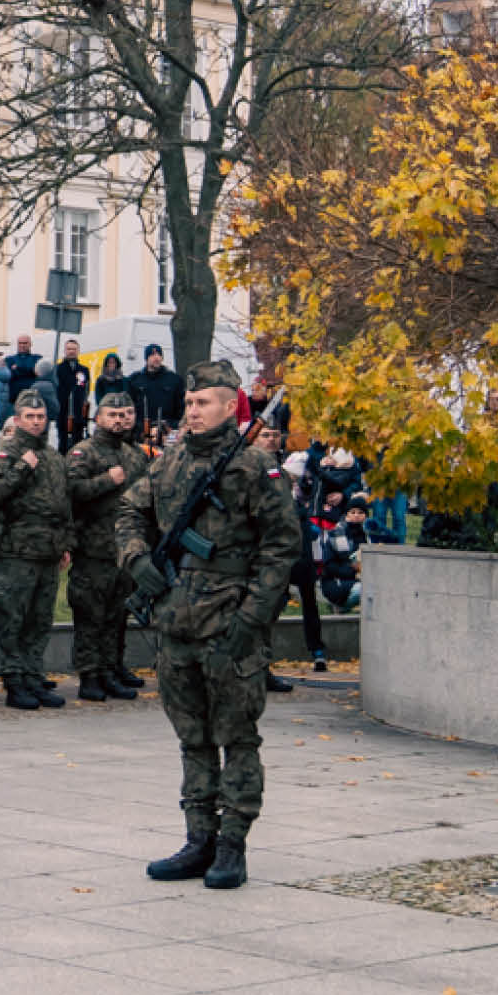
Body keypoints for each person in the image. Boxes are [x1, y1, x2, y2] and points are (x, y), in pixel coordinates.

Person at [114, 360, 307, 889]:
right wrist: (138, 562)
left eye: (203, 403)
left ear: (229, 406)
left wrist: (252, 618)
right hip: (176, 622)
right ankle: (198, 839)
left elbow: (281, 549)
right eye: (190, 403)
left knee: (236, 739)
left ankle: (232, 846)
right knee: (192, 739)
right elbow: (130, 513)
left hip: (230, 625)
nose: (192, 411)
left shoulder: (253, 467)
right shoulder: (169, 463)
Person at [0, 386, 78, 710]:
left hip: (48, 551)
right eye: (30, 417)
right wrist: (21, 468)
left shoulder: (53, 457)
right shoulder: (6, 453)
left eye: (40, 417)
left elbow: (64, 504)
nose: (36, 422)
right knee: (12, 617)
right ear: (18, 420)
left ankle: (33, 676)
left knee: (40, 619)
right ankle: (14, 680)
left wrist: (65, 543)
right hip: (17, 551)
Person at [65, 387, 151, 699]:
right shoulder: (83, 452)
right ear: (99, 417)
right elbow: (71, 492)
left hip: (125, 549)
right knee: (91, 615)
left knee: (117, 614)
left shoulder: (135, 455)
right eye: (113, 415)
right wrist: (105, 481)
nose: (119, 420)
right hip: (94, 548)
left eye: (125, 415)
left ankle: (112, 668)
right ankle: (90, 675)